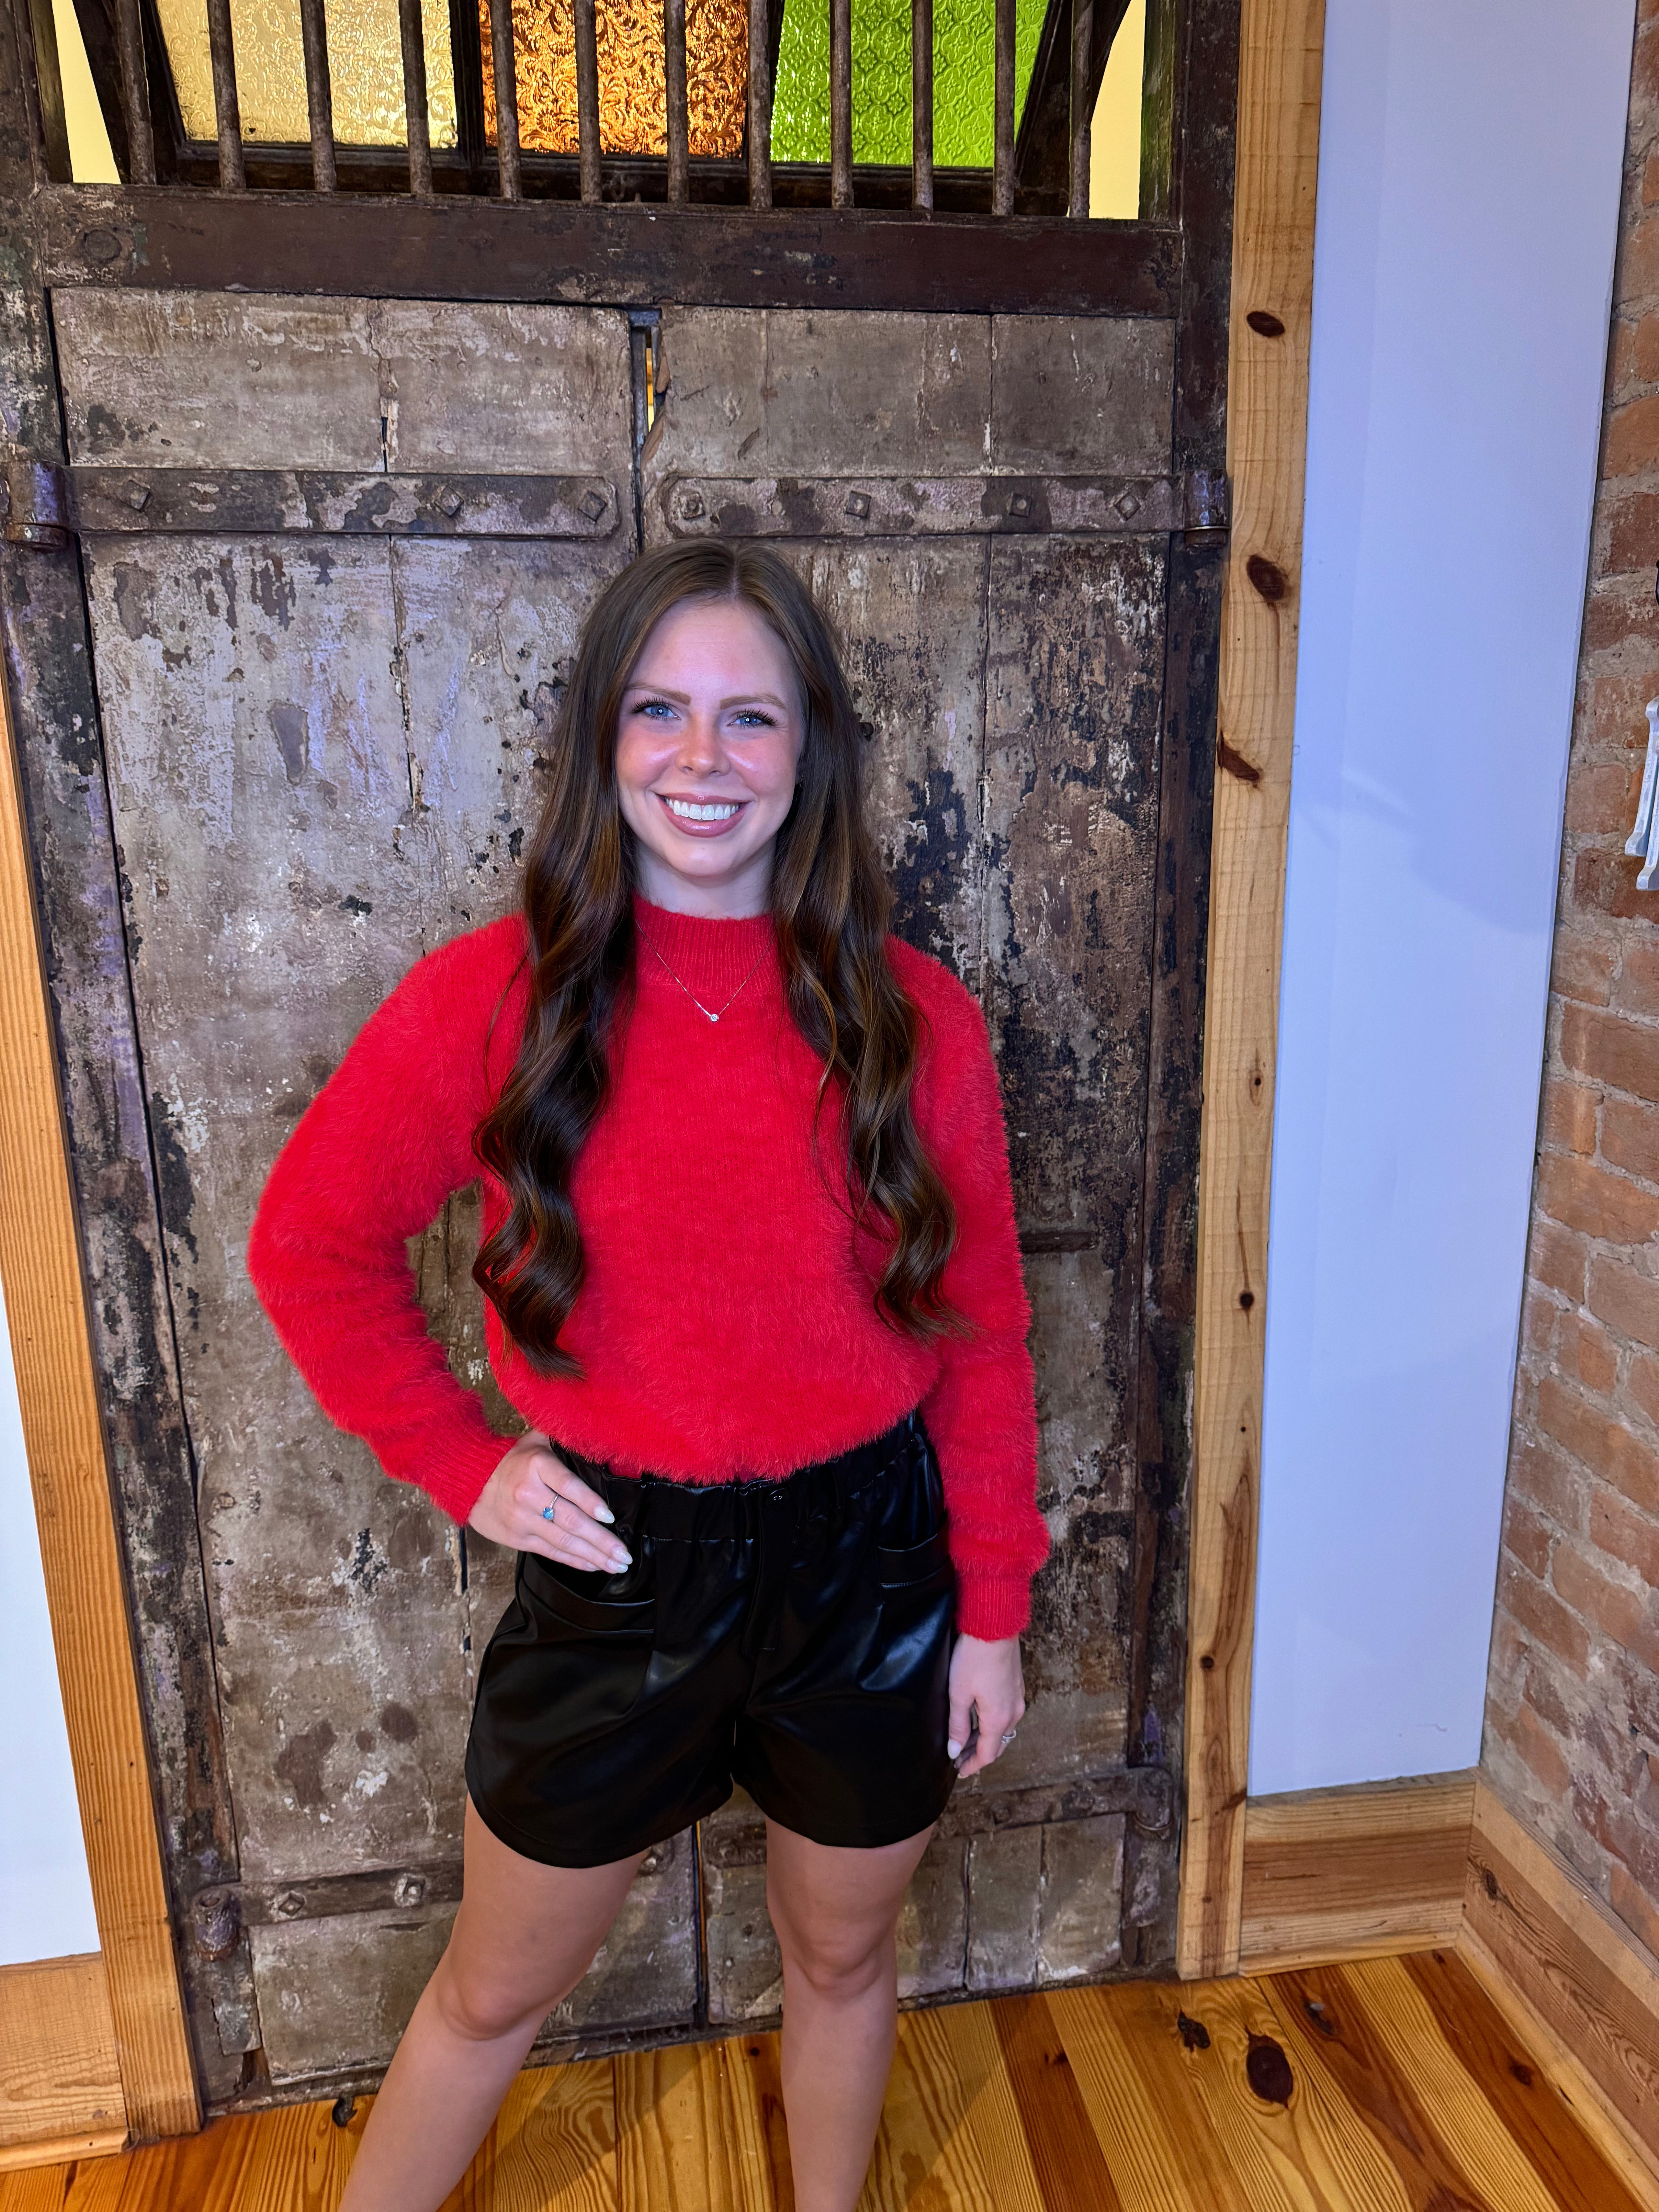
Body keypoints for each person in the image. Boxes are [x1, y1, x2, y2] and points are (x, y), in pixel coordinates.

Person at [247, 540, 1049, 2212]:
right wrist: (463, 1463)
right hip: (619, 1570)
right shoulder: (494, 1003)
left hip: (871, 1571)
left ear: (810, 747)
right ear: (601, 739)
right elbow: (309, 1244)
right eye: (658, 710)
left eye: (750, 717)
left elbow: (978, 1328)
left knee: (842, 1959)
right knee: (490, 1994)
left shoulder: (916, 1022)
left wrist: (990, 1609)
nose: (703, 758)